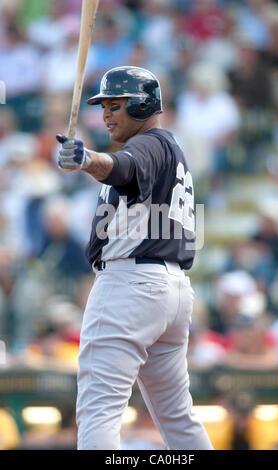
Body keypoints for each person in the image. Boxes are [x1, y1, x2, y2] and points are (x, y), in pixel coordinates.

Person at [56, 66, 213, 451]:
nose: (106, 114)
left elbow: (122, 167)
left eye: (116, 105)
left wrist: (87, 159)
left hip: (131, 286)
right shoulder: (168, 149)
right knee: (176, 415)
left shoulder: (149, 144)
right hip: (169, 290)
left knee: (99, 408)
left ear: (143, 105)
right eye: (103, 106)